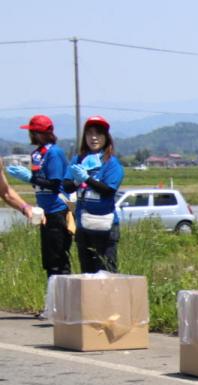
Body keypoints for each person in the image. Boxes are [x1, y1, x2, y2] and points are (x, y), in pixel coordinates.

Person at [6, 114, 73, 283]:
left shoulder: (54, 153)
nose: (32, 136)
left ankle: (62, 302)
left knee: (58, 260)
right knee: (49, 259)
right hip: (44, 212)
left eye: (35, 132)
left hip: (57, 210)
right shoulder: (37, 154)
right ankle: (52, 300)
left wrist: (30, 178)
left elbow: (54, 182)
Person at [63, 116, 124, 273]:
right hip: (83, 226)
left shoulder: (111, 163)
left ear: (106, 137)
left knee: (107, 272)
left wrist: (87, 179)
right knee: (86, 274)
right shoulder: (78, 159)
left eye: (98, 133)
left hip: (105, 226)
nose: (94, 137)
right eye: (89, 133)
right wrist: (77, 181)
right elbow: (67, 186)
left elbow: (108, 190)